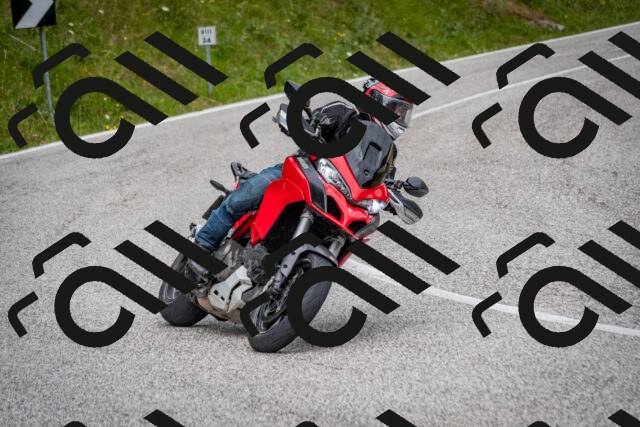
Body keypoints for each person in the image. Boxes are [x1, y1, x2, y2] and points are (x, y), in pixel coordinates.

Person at [185, 78, 414, 285]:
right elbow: (316, 120)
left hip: (339, 198)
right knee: (253, 190)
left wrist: (392, 197)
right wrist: (311, 123)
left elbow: (382, 182)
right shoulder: (344, 112)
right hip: (304, 173)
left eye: (403, 112)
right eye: (396, 109)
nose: (400, 116)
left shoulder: (389, 152)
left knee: (353, 232)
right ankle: (203, 246)